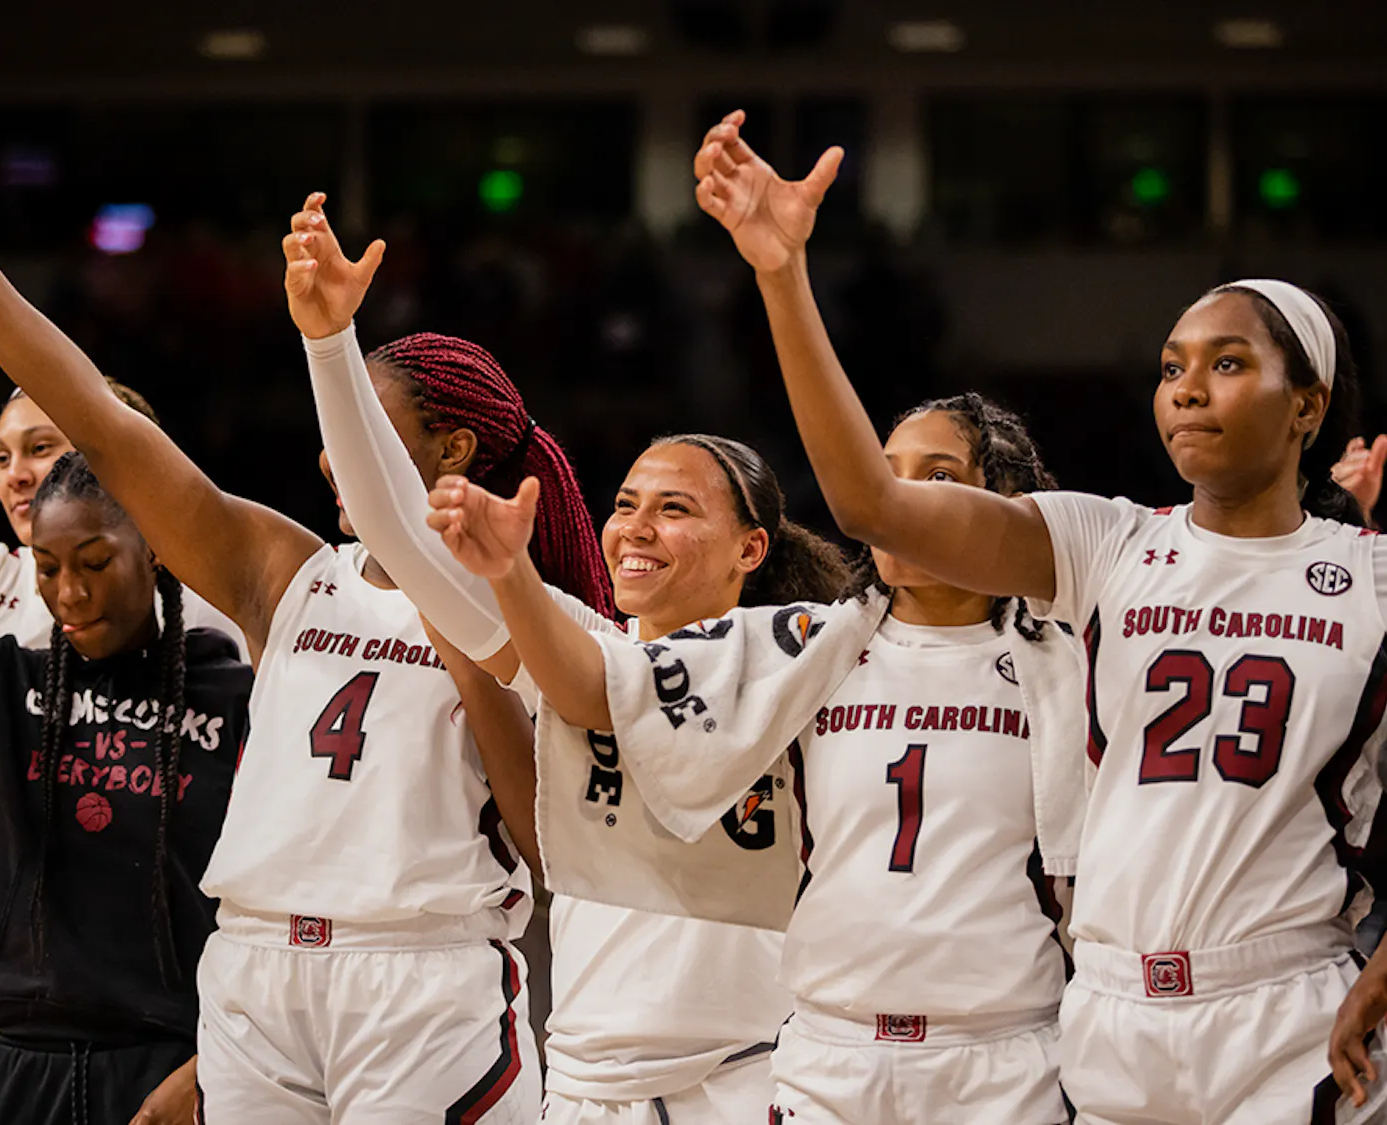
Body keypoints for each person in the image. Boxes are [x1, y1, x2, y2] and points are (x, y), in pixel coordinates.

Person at [0, 133, 603, 1122]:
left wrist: (468, 637)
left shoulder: (536, 615)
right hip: (257, 969)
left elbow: (552, 850)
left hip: (417, 978)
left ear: (452, 450)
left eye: (365, 434)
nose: (332, 463)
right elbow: (101, 422)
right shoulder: (286, 573)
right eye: (331, 435)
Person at [693, 109, 1387, 1123]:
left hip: (1290, 1009)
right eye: (1171, 366)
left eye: (1228, 364)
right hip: (1110, 1016)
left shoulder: (1369, 577)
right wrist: (781, 274)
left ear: (1310, 404)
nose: (1188, 388)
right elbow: (873, 509)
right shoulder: (1104, 543)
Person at [287, 199, 849, 1123]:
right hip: (587, 1087)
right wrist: (330, 345)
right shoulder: (578, 645)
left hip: (747, 1075)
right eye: (627, 502)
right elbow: (394, 524)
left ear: (752, 548)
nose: (635, 526)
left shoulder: (800, 661)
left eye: (676, 507)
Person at [428, 394, 1083, 1125]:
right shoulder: (800, 648)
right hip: (819, 1061)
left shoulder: (1067, 662)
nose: (899, 498)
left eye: (934, 477)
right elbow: (583, 686)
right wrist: (509, 571)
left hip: (949, 1052)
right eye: (886, 474)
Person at [0, 373, 243, 1123]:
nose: (69, 594)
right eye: (0, 454)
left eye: (41, 446)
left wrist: (220, 1050)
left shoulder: (223, 664)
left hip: (153, 1024)